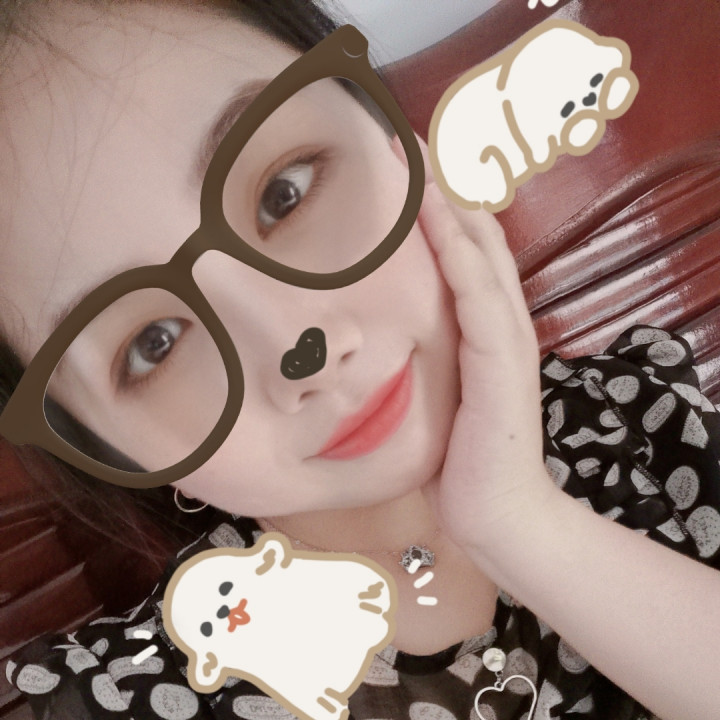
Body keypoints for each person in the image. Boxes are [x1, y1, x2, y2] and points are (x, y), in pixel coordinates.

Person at [1, 1, 719, 719]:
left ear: (393, 137)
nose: (300, 353)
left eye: (284, 194)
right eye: (153, 342)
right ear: (99, 446)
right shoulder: (136, 698)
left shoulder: (634, 423)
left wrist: (521, 525)